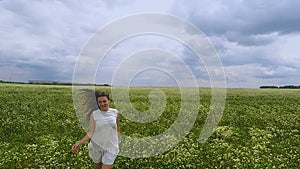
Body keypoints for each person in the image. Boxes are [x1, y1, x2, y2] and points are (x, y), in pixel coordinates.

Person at [72, 90, 120, 169]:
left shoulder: (115, 113)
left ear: (109, 101)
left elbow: (117, 128)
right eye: (100, 102)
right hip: (96, 146)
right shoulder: (94, 114)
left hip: (111, 146)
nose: (102, 104)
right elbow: (91, 132)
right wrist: (79, 143)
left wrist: (118, 142)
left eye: (104, 101)